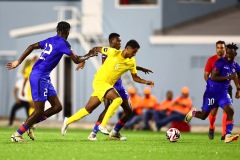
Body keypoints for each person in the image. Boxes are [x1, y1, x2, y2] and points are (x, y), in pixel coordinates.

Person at [6, 21, 97, 142]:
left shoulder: (51, 40)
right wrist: (89, 55)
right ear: (66, 31)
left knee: (57, 106)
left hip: (43, 76)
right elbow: (76, 60)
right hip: (39, 76)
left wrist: (18, 61)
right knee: (39, 111)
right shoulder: (63, 43)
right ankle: (17, 134)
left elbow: (32, 46)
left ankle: (29, 123)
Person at [61, 39, 155, 138]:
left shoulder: (131, 61)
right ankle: (103, 125)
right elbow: (95, 49)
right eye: (134, 51)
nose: (135, 54)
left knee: (88, 109)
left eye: (136, 52)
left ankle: (68, 121)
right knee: (118, 99)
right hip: (99, 81)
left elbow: (135, 78)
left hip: (107, 85)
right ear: (127, 49)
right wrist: (84, 59)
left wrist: (146, 82)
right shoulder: (113, 52)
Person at [185, 43, 240, 143]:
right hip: (212, 92)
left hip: (223, 93)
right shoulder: (220, 62)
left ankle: (227, 135)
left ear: (235, 54)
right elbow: (213, 77)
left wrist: (238, 89)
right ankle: (193, 112)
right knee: (203, 116)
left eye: (230, 53)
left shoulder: (236, 66)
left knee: (230, 111)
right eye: (227, 53)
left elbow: (237, 76)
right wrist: (228, 77)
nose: (228, 55)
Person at [204, 40, 231, 140]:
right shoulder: (211, 60)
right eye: (218, 47)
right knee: (214, 111)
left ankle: (224, 134)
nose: (220, 49)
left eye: (222, 47)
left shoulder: (229, 60)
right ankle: (211, 127)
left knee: (227, 110)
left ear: (225, 49)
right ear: (216, 48)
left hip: (226, 88)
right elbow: (206, 75)